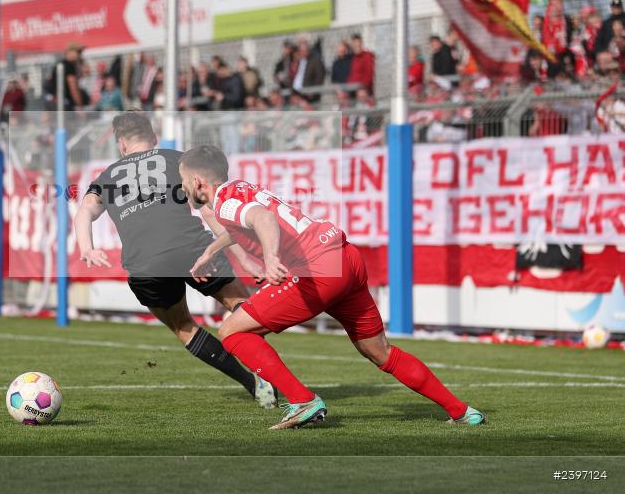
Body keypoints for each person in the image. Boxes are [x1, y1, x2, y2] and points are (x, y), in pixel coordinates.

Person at [178, 145, 484, 430]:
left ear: (198, 180)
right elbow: (252, 221)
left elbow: (262, 218)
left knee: (231, 330)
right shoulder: (242, 188)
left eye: (183, 181)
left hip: (317, 270)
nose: (183, 188)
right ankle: (462, 411)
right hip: (345, 258)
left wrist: (270, 258)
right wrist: (211, 252)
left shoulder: (224, 205)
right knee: (379, 351)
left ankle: (302, 400)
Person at [74, 113, 276, 409]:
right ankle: (266, 374)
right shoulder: (178, 161)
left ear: (121, 144)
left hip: (146, 264)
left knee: (183, 326)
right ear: (153, 137)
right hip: (191, 247)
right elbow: (209, 210)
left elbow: (84, 212)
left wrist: (87, 248)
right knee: (241, 307)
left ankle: (250, 384)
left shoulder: (106, 177)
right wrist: (244, 257)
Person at [346, 34, 375, 101]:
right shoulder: (352, 58)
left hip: (364, 92)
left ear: (361, 44)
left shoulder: (367, 56)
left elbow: (369, 73)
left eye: (358, 44)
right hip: (352, 92)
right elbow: (350, 75)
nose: (357, 47)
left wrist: (363, 87)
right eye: (355, 45)